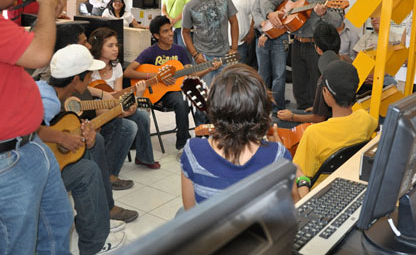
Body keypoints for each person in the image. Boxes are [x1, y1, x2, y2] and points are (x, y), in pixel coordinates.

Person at [0, 0, 73, 255]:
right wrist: (45, 6)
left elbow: (25, 49)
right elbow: (41, 52)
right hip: (8, 162)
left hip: (30, 147)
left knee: (56, 228)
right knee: (18, 244)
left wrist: (48, 15)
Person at [36, 44, 137, 254]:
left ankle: (100, 218)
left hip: (43, 163)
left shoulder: (51, 90)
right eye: (89, 74)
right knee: (88, 172)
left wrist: (82, 136)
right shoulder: (47, 101)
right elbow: (26, 132)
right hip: (36, 173)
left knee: (96, 143)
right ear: (76, 79)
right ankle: (95, 243)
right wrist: (62, 137)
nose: (92, 77)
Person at [180, 64, 300, 209]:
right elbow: (294, 205)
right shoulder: (278, 154)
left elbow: (190, 211)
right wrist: (300, 176)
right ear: (263, 109)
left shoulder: (192, 151)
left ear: (213, 106)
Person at [124, 15, 219, 152]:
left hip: (176, 89)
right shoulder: (150, 52)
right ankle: (183, 143)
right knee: (181, 102)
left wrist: (209, 68)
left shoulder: (180, 50)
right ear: (156, 35)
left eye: (170, 29)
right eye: (165, 31)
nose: (170, 33)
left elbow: (190, 74)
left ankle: (196, 138)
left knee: (195, 98)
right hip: (158, 93)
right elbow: (128, 72)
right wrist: (155, 76)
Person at [264, 0, 343, 110]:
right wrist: (271, 13)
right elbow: (269, 2)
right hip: (297, 45)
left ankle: (315, 125)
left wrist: (324, 14)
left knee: (317, 90)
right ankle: (301, 124)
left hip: (318, 48)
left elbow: (338, 20)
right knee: (299, 90)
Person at [293, 58, 377, 188]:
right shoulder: (366, 119)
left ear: (326, 93)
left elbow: (300, 176)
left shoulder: (313, 133)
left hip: (320, 193)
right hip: (350, 185)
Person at [89, 27, 159, 169]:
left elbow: (119, 94)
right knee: (130, 126)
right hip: (94, 110)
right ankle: (111, 171)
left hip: (114, 106)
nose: (115, 49)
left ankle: (144, 157)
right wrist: (103, 95)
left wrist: (134, 101)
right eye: (110, 45)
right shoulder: (89, 68)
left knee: (142, 115)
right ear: (98, 47)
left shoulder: (117, 66)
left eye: (116, 45)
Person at [181, 0, 239, 86]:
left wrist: (234, 48)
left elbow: (233, 21)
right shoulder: (190, 6)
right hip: (203, 58)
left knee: (225, 93)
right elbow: (185, 32)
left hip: (224, 55)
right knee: (205, 95)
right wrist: (195, 54)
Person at [275, 22, 341, 128]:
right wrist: (316, 108)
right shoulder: (346, 66)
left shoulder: (323, 78)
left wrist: (292, 116)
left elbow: (319, 118)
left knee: (276, 122)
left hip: (324, 122)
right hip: (335, 118)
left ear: (318, 49)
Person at [251, 0, 288, 111]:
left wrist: (268, 32)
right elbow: (255, 12)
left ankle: (277, 108)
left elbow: (284, 19)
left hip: (280, 39)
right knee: (262, 74)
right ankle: (263, 106)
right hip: (261, 38)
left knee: (279, 75)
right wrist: (264, 26)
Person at [212, 0, 256, 66]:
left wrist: (251, 32)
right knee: (217, 75)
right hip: (216, 44)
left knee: (237, 76)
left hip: (240, 44)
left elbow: (256, 13)